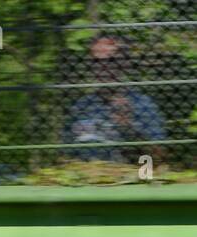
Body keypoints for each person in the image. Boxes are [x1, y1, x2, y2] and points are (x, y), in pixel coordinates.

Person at [65, 34, 165, 164]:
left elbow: (158, 157)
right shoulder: (80, 106)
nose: (103, 68)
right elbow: (65, 155)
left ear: (124, 65)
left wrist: (128, 128)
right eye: (96, 62)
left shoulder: (143, 104)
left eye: (111, 61)